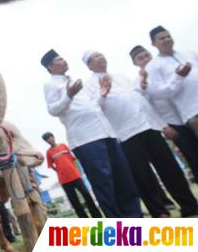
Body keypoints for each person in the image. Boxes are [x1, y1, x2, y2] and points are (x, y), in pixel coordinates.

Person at [83, 50, 198, 217]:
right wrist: (103, 94)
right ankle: (159, 212)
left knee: (170, 168)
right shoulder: (90, 85)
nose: (101, 58)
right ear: (89, 65)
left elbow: (141, 100)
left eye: (102, 55)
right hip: (126, 134)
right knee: (143, 177)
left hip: (149, 126)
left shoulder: (121, 76)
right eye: (95, 57)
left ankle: (189, 205)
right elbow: (94, 108)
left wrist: (162, 124)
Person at [41, 49, 141, 217]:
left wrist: (103, 94)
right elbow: (53, 109)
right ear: (50, 67)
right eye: (60, 60)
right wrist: (68, 95)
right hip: (86, 139)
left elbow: (94, 105)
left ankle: (135, 216)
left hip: (106, 133)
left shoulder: (75, 81)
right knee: (104, 182)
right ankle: (117, 222)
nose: (65, 60)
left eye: (64, 57)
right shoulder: (51, 84)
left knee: (123, 177)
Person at [131, 44, 198, 183]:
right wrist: (164, 126)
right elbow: (147, 108)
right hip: (172, 122)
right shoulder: (138, 82)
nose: (145, 59)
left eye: (146, 55)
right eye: (140, 58)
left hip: (187, 113)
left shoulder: (161, 68)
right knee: (192, 155)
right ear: (135, 63)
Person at [146, 26, 198, 137]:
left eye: (168, 36)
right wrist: (178, 77)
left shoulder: (189, 54)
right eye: (162, 38)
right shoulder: (153, 66)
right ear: (153, 44)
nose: (167, 39)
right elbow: (160, 93)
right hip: (193, 112)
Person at [42, 132, 102, 218]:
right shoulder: (48, 152)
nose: (49, 140)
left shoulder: (63, 146)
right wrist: (58, 171)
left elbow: (74, 158)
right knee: (74, 201)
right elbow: (50, 165)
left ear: (53, 137)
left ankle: (97, 216)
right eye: (46, 140)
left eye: (49, 138)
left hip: (75, 176)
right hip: (64, 180)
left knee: (87, 195)